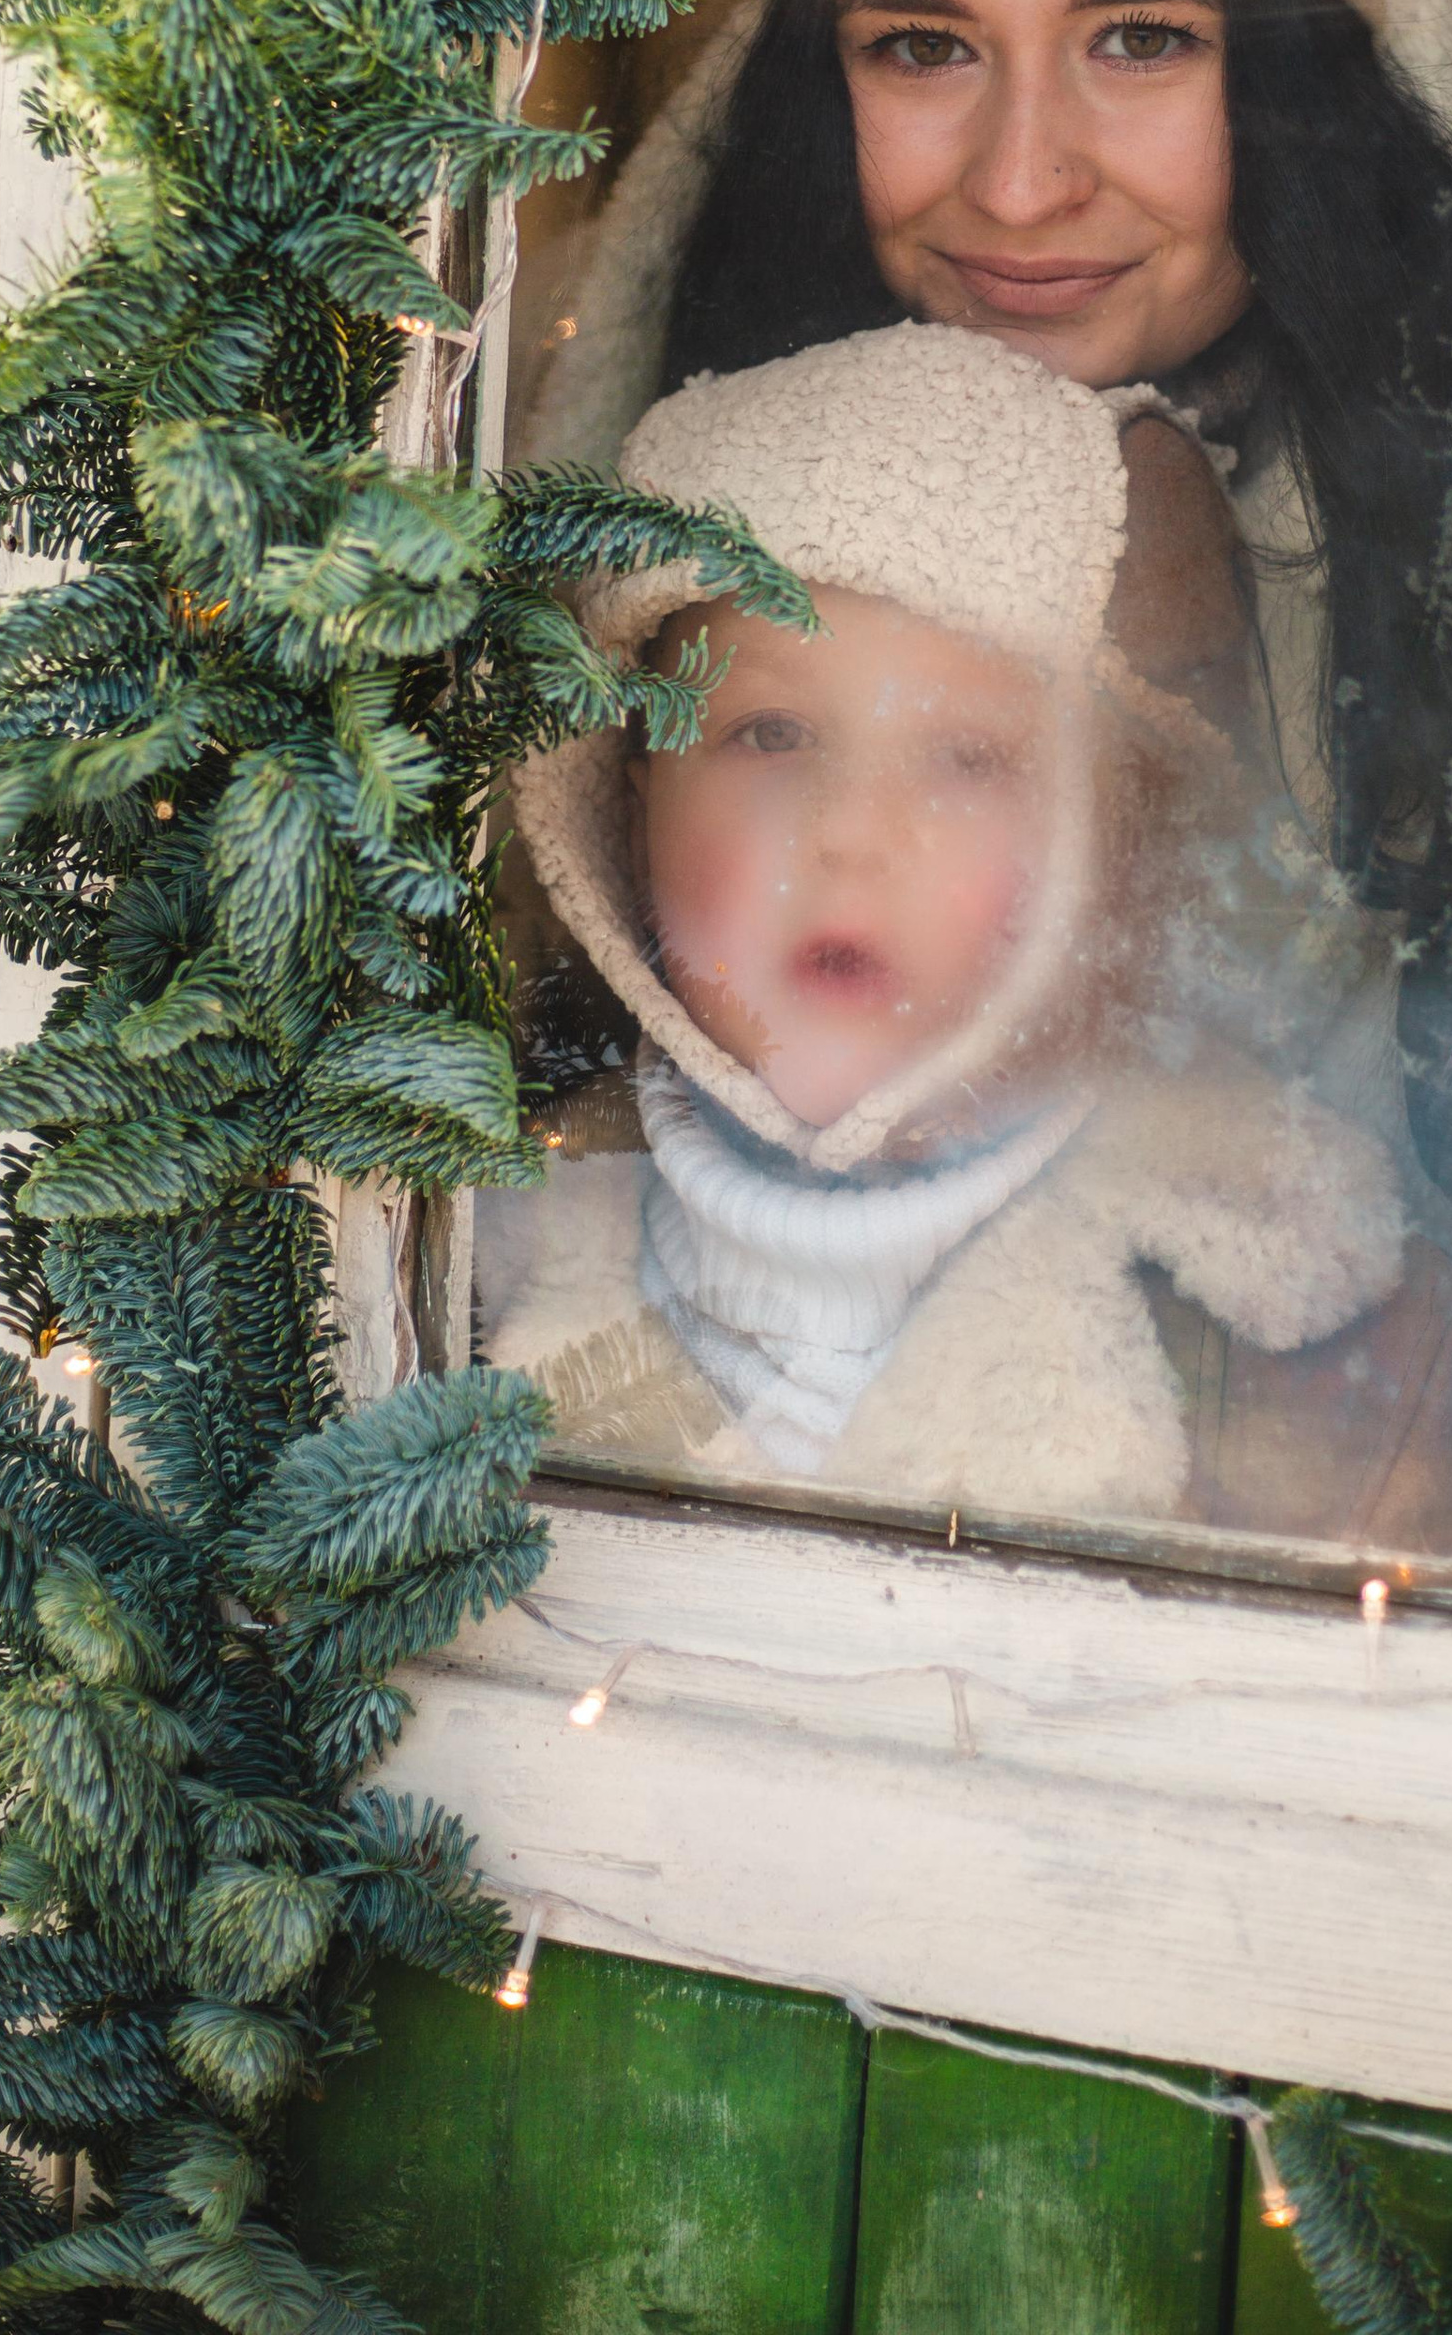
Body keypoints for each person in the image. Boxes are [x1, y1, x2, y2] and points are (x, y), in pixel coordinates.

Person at [525, 0, 1452, 1198]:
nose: (1018, 183)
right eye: (921, 47)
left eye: (1142, 38)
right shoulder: (654, 459)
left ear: (1300, 76)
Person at [484, 322, 1405, 1526]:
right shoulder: (454, 1271)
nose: (852, 834)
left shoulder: (1298, 1321)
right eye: (770, 734)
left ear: (1114, 846)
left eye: (968, 758)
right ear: (627, 794)